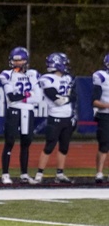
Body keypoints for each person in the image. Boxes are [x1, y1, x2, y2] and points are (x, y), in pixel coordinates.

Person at [0, 47, 41, 185]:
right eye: (15, 60)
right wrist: (28, 95)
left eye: (20, 60)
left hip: (27, 111)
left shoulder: (33, 74)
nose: (17, 63)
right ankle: (5, 174)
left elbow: (38, 98)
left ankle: (24, 173)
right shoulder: (6, 74)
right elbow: (11, 96)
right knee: (10, 141)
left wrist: (22, 97)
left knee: (26, 142)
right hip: (14, 111)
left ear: (26, 61)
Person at [34, 53, 75, 183]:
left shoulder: (68, 78)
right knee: (49, 145)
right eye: (64, 63)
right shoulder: (47, 79)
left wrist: (65, 98)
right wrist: (66, 98)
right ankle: (39, 174)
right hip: (55, 116)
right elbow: (56, 99)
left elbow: (73, 96)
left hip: (67, 117)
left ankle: (60, 174)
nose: (66, 66)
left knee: (64, 147)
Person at [94, 55, 109, 183]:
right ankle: (99, 172)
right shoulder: (102, 77)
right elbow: (94, 101)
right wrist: (106, 105)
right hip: (105, 115)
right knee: (104, 144)